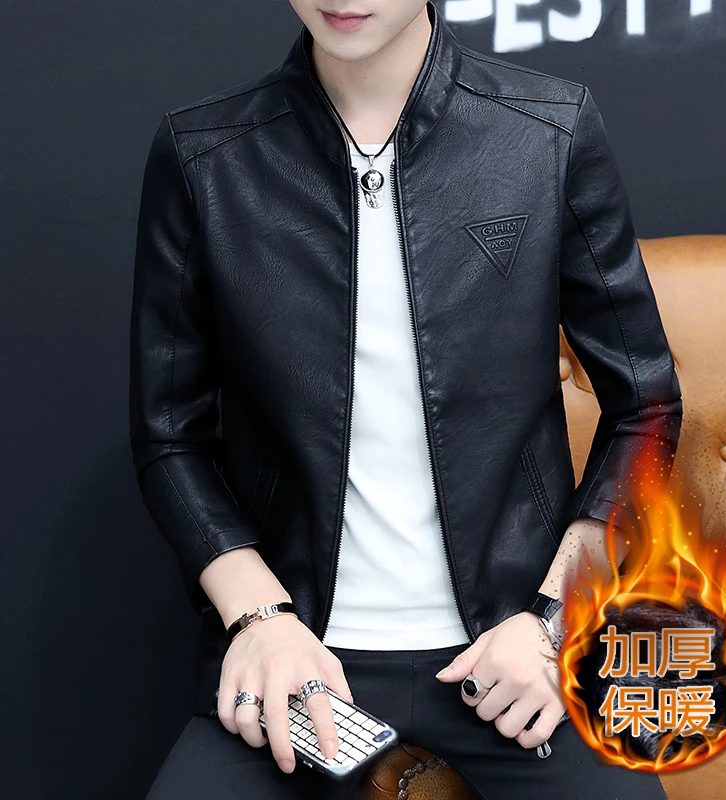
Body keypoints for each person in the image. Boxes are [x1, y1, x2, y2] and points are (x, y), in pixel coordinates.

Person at [129, 1, 682, 798]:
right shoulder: (206, 154)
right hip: (296, 656)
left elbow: (646, 406)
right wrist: (258, 620)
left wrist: (556, 621)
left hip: (512, 648)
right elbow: (169, 434)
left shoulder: (548, 130)